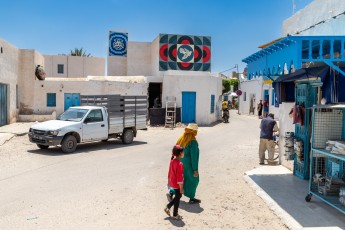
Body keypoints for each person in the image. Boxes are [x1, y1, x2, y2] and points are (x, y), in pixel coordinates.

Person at [176, 123, 201, 204]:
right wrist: (195, 170)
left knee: (181, 179)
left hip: (180, 162)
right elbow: (194, 157)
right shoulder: (193, 142)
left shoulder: (181, 138)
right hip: (188, 164)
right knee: (194, 179)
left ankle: (172, 192)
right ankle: (191, 197)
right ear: (194, 132)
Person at [164, 145, 184, 220]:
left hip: (173, 183)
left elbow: (169, 172)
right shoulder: (180, 164)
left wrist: (169, 182)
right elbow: (180, 177)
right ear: (180, 153)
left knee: (178, 196)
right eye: (183, 152)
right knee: (178, 198)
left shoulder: (172, 161)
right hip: (177, 184)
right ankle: (175, 214)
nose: (183, 153)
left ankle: (168, 207)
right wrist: (181, 187)